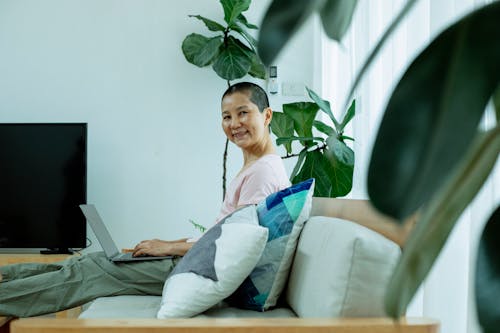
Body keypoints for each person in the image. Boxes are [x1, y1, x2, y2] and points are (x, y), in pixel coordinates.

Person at [0, 82, 290, 318]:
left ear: (266, 116)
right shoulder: (257, 166)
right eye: (227, 116)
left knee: (92, 270)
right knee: (91, 262)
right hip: (198, 262)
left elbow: (232, 246)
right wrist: (172, 244)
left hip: (201, 273)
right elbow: (226, 233)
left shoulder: (263, 171)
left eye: (243, 113)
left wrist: (170, 247)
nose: (234, 123)